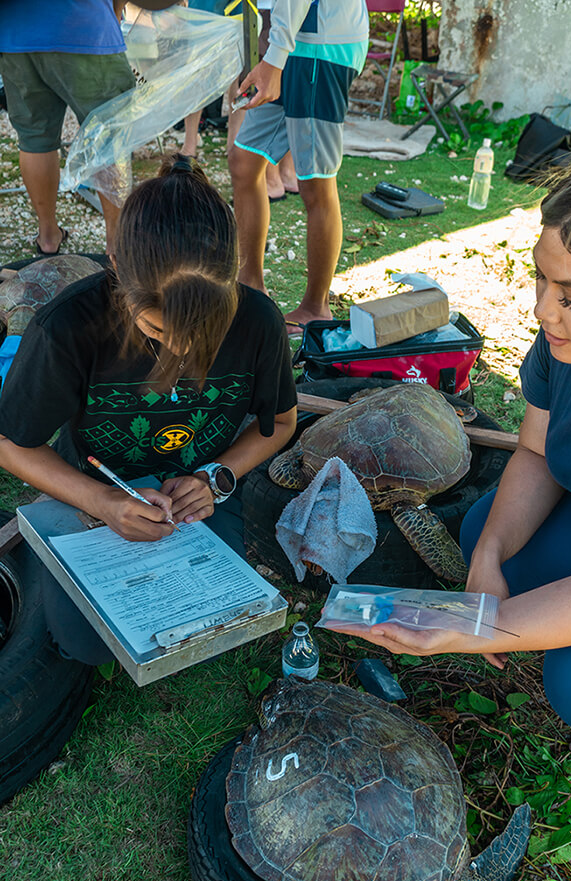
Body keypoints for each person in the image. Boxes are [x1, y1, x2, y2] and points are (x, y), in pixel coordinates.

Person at [331, 141, 571, 786]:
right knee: (484, 538)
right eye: (541, 278)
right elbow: (536, 452)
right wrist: (489, 559)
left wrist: (483, 629)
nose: (542, 311)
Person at [0, 154, 297, 663]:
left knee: (213, 617)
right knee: (86, 644)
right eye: (158, 330)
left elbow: (282, 423)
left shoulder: (259, 322)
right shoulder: (70, 327)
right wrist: (102, 503)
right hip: (95, 483)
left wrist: (216, 477)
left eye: (206, 329)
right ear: (116, 269)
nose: (181, 350)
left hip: (195, 494)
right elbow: (10, 443)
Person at [229, 0, 369, 335]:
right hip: (287, 46)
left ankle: (315, 307)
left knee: (314, 182)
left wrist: (274, 58)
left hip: (321, 48)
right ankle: (250, 285)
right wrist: (268, 46)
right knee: (244, 162)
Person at [0, 0, 136, 255]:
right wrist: (115, 14)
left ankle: (48, 236)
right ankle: (117, 247)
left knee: (34, 138)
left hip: (16, 33)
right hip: (85, 25)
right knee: (109, 137)